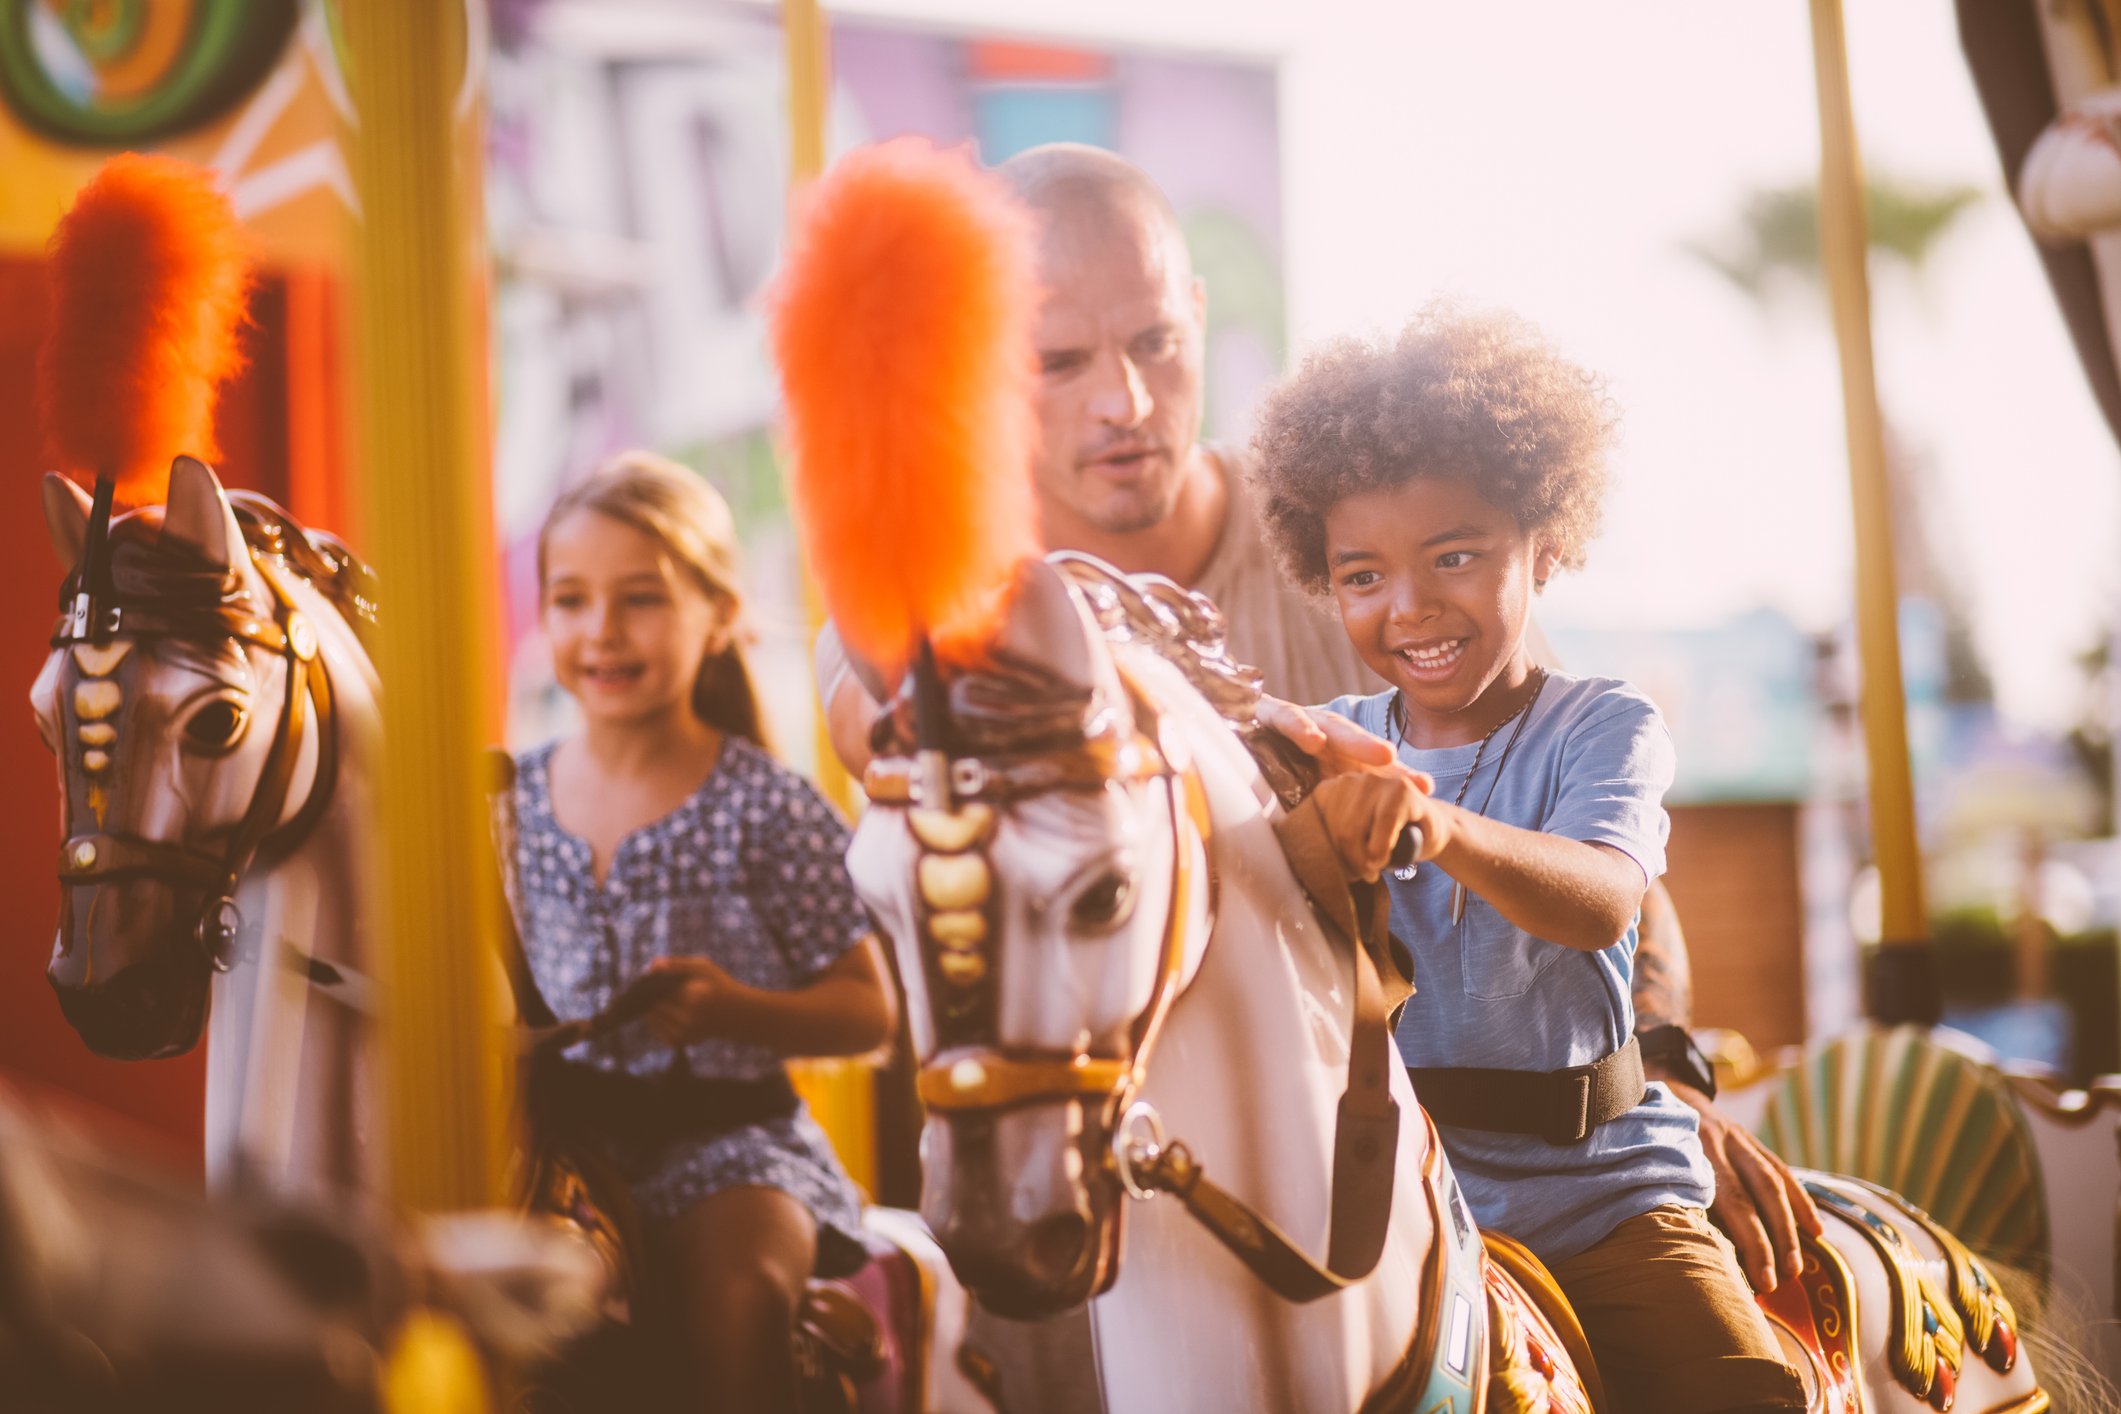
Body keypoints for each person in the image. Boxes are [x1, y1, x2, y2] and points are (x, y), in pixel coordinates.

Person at [816, 142, 1819, 1297]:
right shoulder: (948, 606)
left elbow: (1597, 846)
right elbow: (866, 722)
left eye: (1154, 342)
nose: (1125, 402)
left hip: (1363, 1184)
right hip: (1058, 1161)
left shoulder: (1361, 547)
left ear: (1197, 314)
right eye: (1057, 359)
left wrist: (1666, 1083)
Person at [1251, 307, 1804, 1411]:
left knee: (1737, 1387)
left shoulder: (1604, 726)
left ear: (1543, 547)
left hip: (1601, 1196)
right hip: (1408, 1190)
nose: (1408, 607)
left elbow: (1605, 900)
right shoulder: (1325, 742)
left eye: (1454, 556)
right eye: (1361, 575)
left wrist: (1441, 829)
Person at [516, 452, 896, 1410]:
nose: (601, 632)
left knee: (740, 1298)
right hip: (559, 1142)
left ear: (719, 615)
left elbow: (870, 1013)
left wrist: (742, 1010)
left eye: (640, 599)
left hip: (729, 1142)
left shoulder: (766, 805)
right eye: (570, 600)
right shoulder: (509, 801)